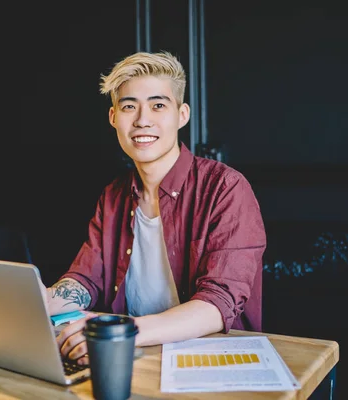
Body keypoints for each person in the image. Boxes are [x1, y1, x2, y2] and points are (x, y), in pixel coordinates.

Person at [41, 51, 266, 365]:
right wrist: (39, 300)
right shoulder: (113, 196)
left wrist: (121, 333)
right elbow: (86, 280)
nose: (142, 120)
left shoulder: (225, 188)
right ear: (113, 118)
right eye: (129, 106)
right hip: (134, 357)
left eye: (158, 105)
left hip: (210, 362)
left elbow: (219, 303)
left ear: (182, 115)